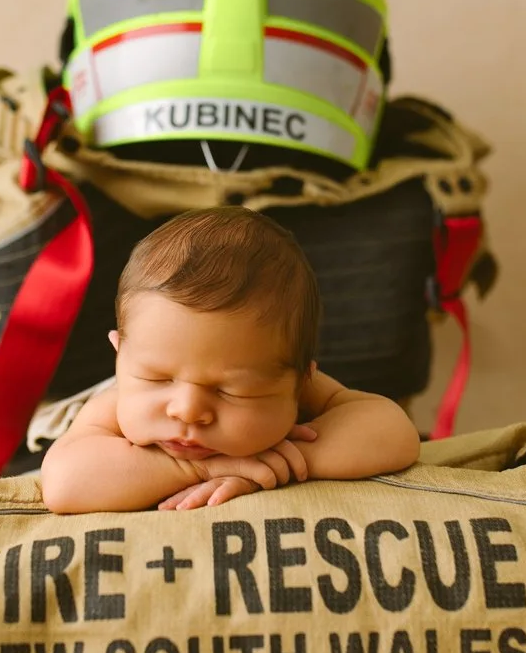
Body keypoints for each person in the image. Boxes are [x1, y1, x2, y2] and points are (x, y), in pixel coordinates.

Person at [40, 206, 423, 514]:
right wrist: (199, 467)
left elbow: (395, 435)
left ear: (300, 381)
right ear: (120, 354)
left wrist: (289, 461)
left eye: (231, 391)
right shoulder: (117, 403)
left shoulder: (302, 391)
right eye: (157, 379)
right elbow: (64, 483)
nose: (188, 410)